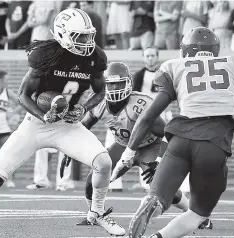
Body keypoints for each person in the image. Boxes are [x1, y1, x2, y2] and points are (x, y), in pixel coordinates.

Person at [0, 8, 125, 238]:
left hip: (68, 126)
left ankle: (96, 213)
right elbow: (23, 95)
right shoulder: (46, 54)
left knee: (104, 162)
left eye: (89, 35)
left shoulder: (95, 57)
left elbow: (100, 92)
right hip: (36, 124)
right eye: (80, 36)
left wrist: (82, 108)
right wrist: (42, 115)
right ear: (63, 34)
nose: (87, 42)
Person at [113, 27, 234, 238]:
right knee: (198, 213)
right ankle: (159, 237)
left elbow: (148, 116)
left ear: (186, 50)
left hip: (179, 141)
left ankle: (152, 204)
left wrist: (128, 154)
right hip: (214, 144)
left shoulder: (174, 66)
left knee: (157, 197)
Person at [60, 62, 193, 226]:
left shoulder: (140, 103)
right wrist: (69, 149)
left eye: (119, 83)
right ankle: (94, 214)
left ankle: (193, 212)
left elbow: (168, 133)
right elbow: (84, 126)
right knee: (93, 179)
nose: (115, 88)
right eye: (111, 84)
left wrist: (159, 159)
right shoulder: (100, 102)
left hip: (149, 147)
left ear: (129, 82)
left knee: (161, 188)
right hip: (122, 145)